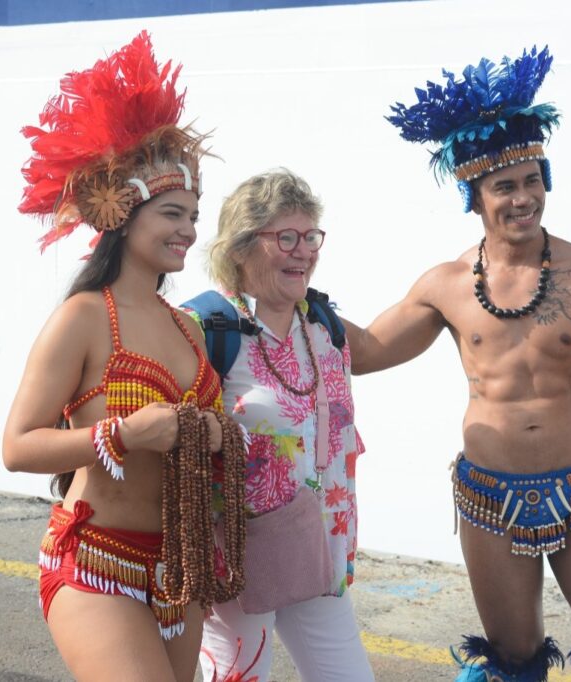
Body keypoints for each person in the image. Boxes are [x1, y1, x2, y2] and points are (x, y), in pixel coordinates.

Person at [340, 47, 571, 681]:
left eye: (533, 181)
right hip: (489, 498)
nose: (523, 198)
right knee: (512, 659)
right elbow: (365, 351)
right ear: (474, 197)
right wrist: (297, 305)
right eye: (505, 186)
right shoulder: (445, 285)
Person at [2, 33, 244, 682]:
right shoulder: (84, 317)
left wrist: (220, 433)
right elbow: (18, 447)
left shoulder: (187, 326)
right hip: (94, 560)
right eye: (172, 213)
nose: (188, 231)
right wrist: (122, 434)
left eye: (193, 215)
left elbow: (217, 440)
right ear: (123, 216)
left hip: (176, 569)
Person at [182, 169, 375, 682]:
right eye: (285, 237)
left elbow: (381, 344)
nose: (303, 251)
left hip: (317, 550)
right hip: (237, 558)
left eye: (311, 237)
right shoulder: (204, 327)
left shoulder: (322, 323)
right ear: (242, 247)